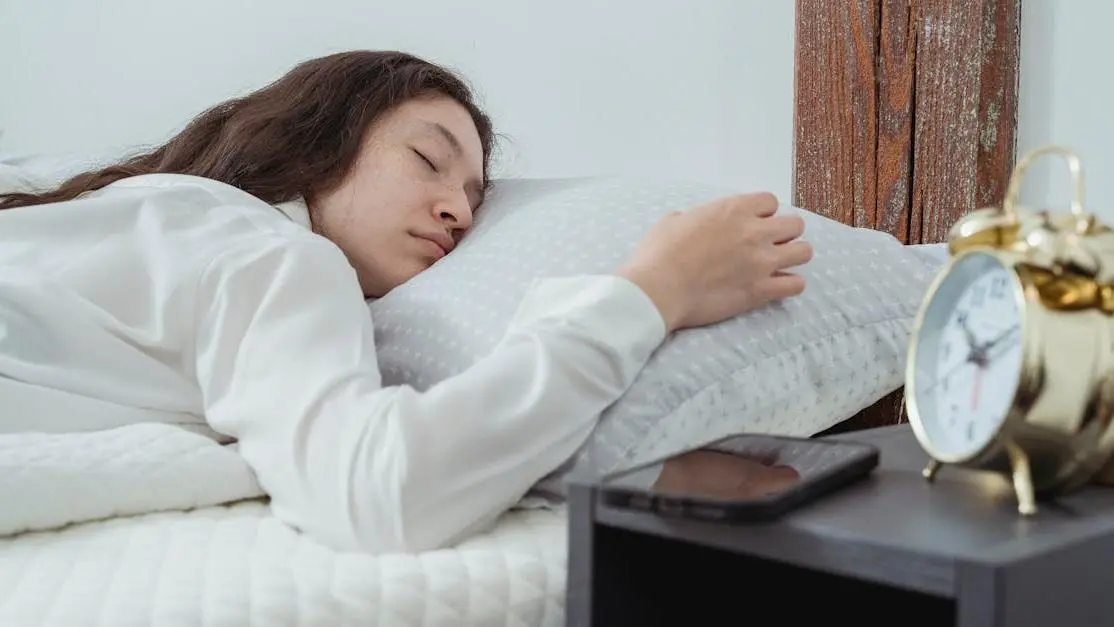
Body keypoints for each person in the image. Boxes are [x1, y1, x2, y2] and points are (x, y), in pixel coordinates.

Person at [0, 50, 813, 553]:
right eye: (430, 159)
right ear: (319, 137)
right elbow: (377, 490)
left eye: (473, 195)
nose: (460, 210)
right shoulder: (270, 255)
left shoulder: (137, 210)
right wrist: (650, 293)